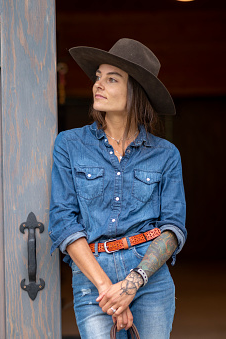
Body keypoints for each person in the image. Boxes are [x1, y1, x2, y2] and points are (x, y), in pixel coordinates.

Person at [49, 38, 187, 338]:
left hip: (149, 277)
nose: (98, 84)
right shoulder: (69, 144)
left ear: (135, 91)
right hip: (92, 276)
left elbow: (173, 229)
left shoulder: (166, 154)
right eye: (98, 77)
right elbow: (63, 222)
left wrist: (132, 283)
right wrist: (109, 290)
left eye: (112, 79)